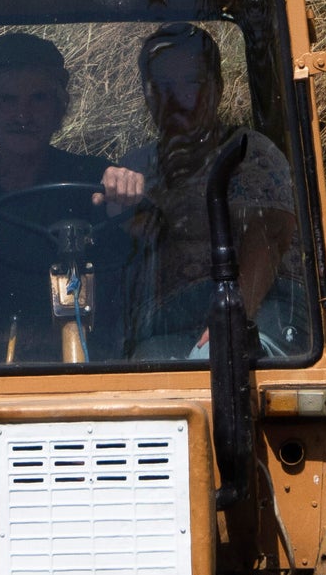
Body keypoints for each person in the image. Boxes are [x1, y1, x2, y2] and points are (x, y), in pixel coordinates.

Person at [0, 33, 137, 359]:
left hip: (87, 363)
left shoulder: (94, 180)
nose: (23, 115)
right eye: (7, 100)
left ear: (59, 108)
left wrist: (127, 195)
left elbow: (139, 282)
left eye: (38, 99)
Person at [112, 23, 301, 355]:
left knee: (214, 361)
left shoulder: (248, 152)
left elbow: (269, 234)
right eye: (162, 86)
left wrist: (232, 316)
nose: (175, 99)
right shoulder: (137, 165)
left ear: (217, 89)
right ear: (147, 93)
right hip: (170, 325)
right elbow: (125, 247)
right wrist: (114, 207)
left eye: (191, 84)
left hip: (260, 311)